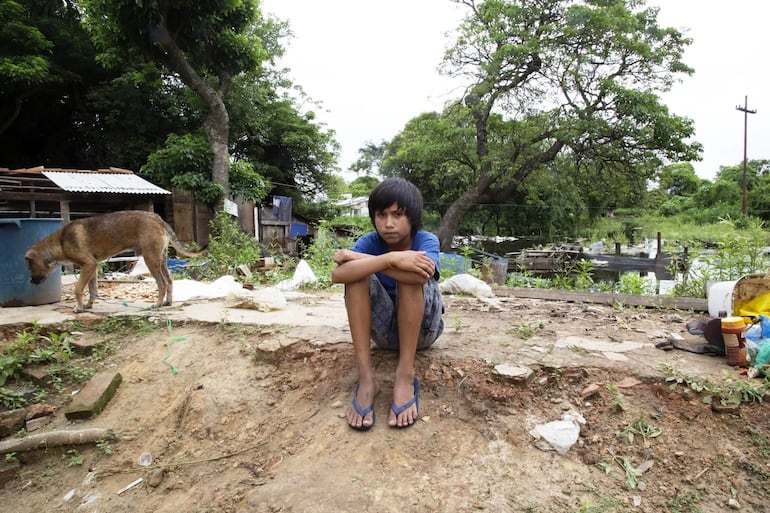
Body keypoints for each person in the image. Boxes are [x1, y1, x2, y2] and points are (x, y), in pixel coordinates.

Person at [332, 177, 444, 430]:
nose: (388, 223)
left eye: (398, 214)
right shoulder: (370, 242)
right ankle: (366, 378)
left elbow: (419, 276)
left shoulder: (426, 240)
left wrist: (394, 260)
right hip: (382, 333)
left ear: (412, 217)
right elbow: (337, 275)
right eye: (381, 215)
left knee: (411, 272)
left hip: (424, 332)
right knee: (356, 275)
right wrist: (393, 258)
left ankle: (405, 376)